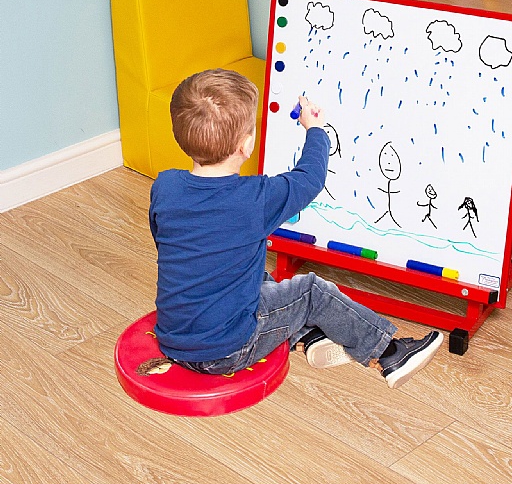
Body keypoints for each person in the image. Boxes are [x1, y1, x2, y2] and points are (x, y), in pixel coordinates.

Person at [148, 68, 443, 389]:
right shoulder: (256, 198)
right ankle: (390, 353)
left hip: (175, 338)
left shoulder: (166, 186)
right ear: (246, 145)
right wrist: (315, 128)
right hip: (227, 350)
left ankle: (312, 336)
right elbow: (309, 178)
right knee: (311, 291)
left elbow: (165, 239)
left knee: (253, 275)